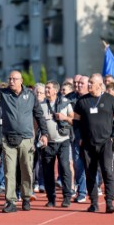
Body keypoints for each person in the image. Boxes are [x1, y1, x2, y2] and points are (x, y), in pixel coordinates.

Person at [0, 63, 48, 213]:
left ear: (21, 80)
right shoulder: (3, 93)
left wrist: (45, 134)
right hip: (8, 140)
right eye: (9, 79)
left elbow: (39, 115)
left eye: (14, 79)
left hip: (26, 139)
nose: (11, 81)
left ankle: (27, 197)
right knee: (9, 171)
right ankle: (10, 201)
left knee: (26, 170)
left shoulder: (30, 96)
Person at [74, 73, 114, 213]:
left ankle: (109, 202)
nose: (88, 85)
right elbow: (76, 122)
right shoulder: (82, 101)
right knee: (90, 173)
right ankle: (94, 203)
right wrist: (79, 137)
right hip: (88, 144)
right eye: (88, 82)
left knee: (107, 171)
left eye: (91, 82)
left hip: (106, 142)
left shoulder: (110, 100)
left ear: (100, 85)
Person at [40, 80, 73, 208]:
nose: (46, 90)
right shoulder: (41, 105)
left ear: (55, 90)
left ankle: (67, 197)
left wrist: (64, 118)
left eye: (49, 88)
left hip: (63, 141)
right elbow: (36, 124)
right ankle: (51, 198)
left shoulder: (65, 103)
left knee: (64, 167)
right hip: (48, 143)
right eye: (46, 88)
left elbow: (73, 119)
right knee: (48, 171)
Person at [71, 76, 89, 203]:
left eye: (81, 83)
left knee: (93, 165)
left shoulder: (94, 99)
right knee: (79, 164)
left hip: (93, 137)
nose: (78, 85)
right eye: (76, 83)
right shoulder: (70, 98)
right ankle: (82, 192)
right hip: (76, 137)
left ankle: (95, 187)